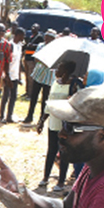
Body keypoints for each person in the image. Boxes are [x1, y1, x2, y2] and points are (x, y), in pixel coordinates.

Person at [36, 60, 83, 192]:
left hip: (65, 124)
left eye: (60, 67)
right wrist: (41, 121)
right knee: (51, 150)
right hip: (53, 122)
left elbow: (78, 103)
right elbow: (48, 104)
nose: (56, 70)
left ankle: (61, 181)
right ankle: (45, 177)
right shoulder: (55, 83)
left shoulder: (74, 84)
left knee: (64, 152)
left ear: (66, 71)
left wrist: (73, 95)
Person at [22, 28, 56, 125]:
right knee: (34, 96)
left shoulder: (56, 49)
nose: (46, 39)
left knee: (45, 99)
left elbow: (54, 63)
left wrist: (45, 61)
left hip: (49, 77)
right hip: (39, 74)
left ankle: (41, 119)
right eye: (46, 37)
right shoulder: (41, 45)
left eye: (48, 38)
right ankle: (29, 116)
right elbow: (36, 58)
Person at [0, 27, 24, 124]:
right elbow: (6, 62)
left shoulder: (20, 45)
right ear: (17, 35)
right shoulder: (10, 45)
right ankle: (1, 116)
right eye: (22, 36)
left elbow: (19, 61)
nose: (23, 38)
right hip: (8, 75)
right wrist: (6, 76)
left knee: (13, 97)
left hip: (15, 75)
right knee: (5, 96)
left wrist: (20, 76)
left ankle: (9, 116)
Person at [22, 23, 43, 99]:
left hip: (32, 60)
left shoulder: (39, 37)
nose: (33, 28)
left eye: (35, 27)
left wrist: (33, 45)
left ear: (38, 29)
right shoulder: (31, 36)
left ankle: (31, 94)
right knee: (27, 77)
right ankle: (27, 92)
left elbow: (40, 46)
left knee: (31, 78)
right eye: (32, 27)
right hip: (27, 58)